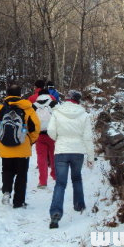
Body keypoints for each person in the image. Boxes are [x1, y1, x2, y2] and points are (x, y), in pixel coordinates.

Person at [0, 84, 40, 208]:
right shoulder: (28, 108)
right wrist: (30, 141)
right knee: (22, 175)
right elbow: (35, 127)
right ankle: (19, 202)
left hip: (5, 148)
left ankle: (6, 190)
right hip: (22, 147)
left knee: (7, 170)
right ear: (20, 94)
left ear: (7, 94)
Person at [47, 90, 95, 229]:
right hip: (78, 151)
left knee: (60, 184)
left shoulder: (57, 112)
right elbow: (87, 137)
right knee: (77, 178)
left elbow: (50, 131)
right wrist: (90, 157)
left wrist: (59, 139)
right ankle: (79, 205)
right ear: (78, 101)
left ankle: (55, 213)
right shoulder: (84, 115)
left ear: (67, 99)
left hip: (61, 150)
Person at [32, 89, 58, 188]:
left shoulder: (34, 105)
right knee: (53, 156)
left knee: (41, 157)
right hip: (52, 134)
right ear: (48, 94)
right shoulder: (53, 103)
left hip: (40, 135)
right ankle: (55, 175)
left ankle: (42, 181)